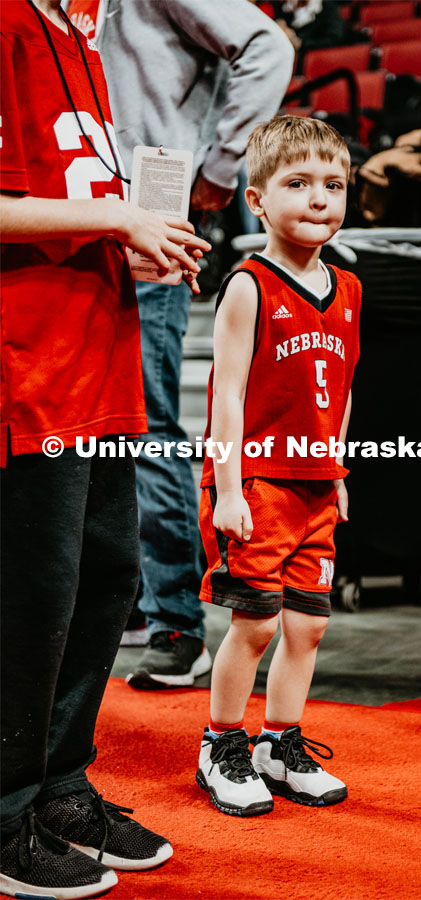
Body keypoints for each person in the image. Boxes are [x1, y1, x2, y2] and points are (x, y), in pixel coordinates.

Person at [0, 1, 210, 896]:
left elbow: (74, 194)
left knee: (103, 578)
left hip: (98, 354)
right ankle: (4, 813)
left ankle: (56, 784)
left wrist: (138, 237)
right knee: (30, 593)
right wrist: (121, 222)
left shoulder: (80, 28)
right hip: (26, 367)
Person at [66, 0, 295, 688]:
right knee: (81, 426)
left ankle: (176, 622)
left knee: (150, 423)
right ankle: (127, 603)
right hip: (71, 219)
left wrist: (223, 165)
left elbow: (268, 47)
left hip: (151, 212)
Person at [195, 116, 361, 816]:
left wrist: (340, 471)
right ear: (257, 200)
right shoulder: (248, 284)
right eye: (298, 184)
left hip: (316, 486)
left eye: (333, 184)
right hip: (257, 485)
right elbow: (225, 394)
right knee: (256, 623)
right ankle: (220, 742)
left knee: (307, 626)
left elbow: (344, 386)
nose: (319, 198)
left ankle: (280, 742)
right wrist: (228, 487)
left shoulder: (349, 289)